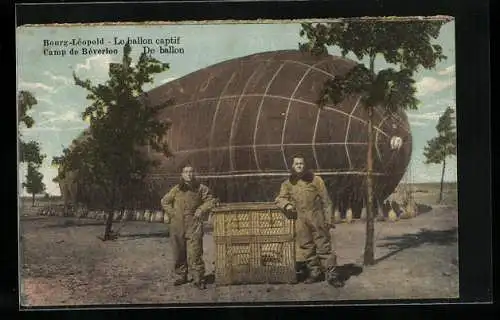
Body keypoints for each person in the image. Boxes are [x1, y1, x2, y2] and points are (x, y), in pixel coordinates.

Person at [275, 154, 341, 285]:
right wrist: (287, 205)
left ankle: (332, 275)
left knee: (323, 246)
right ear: (292, 166)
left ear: (305, 165)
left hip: (317, 217)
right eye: (296, 164)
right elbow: (279, 198)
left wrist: (328, 219)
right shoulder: (288, 183)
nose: (299, 165)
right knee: (306, 247)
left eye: (301, 163)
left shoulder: (316, 180)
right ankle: (315, 272)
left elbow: (326, 201)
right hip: (300, 219)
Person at [161, 165, 217, 289]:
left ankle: (198, 278)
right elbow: (164, 201)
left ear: (194, 173)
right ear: (182, 175)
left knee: (195, 252)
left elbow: (210, 200)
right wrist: (172, 213)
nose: (189, 174)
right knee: (179, 251)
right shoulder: (176, 189)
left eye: (191, 171)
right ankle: (181, 275)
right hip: (177, 224)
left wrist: (201, 209)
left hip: (194, 224)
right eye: (186, 172)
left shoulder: (201, 188)